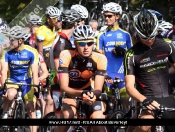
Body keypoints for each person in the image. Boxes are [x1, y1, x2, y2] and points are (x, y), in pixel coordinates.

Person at [124, 9, 175, 132]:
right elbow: (129, 87)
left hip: (167, 95)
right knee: (144, 125)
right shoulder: (131, 54)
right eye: (145, 38)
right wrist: (144, 100)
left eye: (152, 36)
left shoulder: (167, 44)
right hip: (146, 97)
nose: (150, 40)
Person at [56, 25, 107, 132]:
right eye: (82, 43)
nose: (86, 47)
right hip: (70, 92)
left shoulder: (100, 58)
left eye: (90, 43)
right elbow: (64, 87)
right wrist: (81, 94)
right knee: (67, 116)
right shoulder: (66, 55)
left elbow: (98, 89)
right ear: (75, 43)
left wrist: (92, 95)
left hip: (88, 91)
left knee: (99, 122)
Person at [1, 26, 39, 132]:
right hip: (12, 80)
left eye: (12, 39)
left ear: (20, 40)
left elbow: (35, 73)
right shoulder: (6, 52)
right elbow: (4, 71)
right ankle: (5, 112)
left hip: (27, 80)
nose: (10, 42)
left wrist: (37, 90)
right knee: (11, 94)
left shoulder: (32, 52)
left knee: (31, 108)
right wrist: (4, 87)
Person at [96, 2, 132, 109]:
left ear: (117, 16)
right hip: (107, 75)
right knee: (108, 108)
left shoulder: (126, 35)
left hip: (123, 74)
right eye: (105, 16)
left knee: (126, 106)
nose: (106, 18)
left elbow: (133, 57)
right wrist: (104, 74)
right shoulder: (102, 35)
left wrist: (124, 52)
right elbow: (99, 57)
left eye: (110, 16)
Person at [48, 9, 81, 121]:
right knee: (61, 117)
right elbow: (58, 70)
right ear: (75, 24)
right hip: (59, 84)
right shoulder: (61, 43)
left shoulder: (63, 39)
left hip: (57, 82)